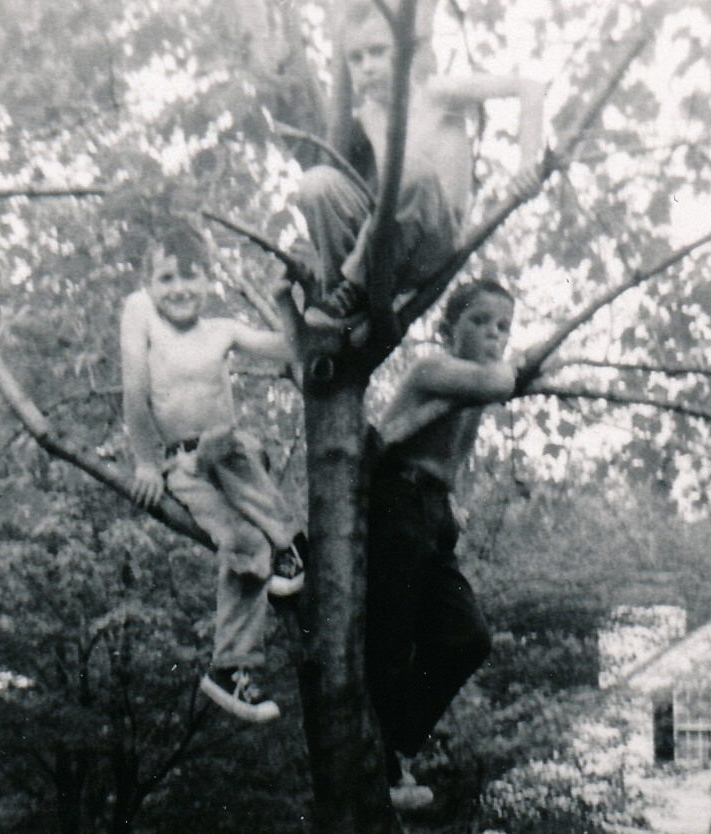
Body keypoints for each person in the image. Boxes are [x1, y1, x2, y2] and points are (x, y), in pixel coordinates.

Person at [120, 218, 306, 723]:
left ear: (208, 281)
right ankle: (232, 668)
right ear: (148, 284)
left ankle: (287, 551)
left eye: (191, 276)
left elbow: (291, 348)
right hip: (185, 464)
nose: (179, 288)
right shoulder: (142, 316)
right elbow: (135, 392)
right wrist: (144, 461)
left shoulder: (221, 331)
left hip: (229, 457)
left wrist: (286, 300)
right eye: (166, 278)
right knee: (245, 544)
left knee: (236, 443)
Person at [295, 1, 546, 342]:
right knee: (316, 183)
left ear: (403, 52)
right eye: (356, 58)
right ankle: (345, 304)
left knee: (410, 169)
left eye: (377, 52)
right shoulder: (368, 114)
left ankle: (353, 288)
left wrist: (527, 163)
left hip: (433, 243)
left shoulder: (436, 92)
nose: (367, 67)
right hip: (386, 248)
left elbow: (530, 88)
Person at [366, 277, 521, 801]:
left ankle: (394, 742)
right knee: (391, 634)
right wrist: (511, 370)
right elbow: (501, 382)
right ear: (448, 328)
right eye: (479, 321)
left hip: (433, 510)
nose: (493, 335)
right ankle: (383, 764)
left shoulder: (474, 388)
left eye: (504, 327)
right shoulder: (433, 370)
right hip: (397, 500)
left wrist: (449, 507)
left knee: (467, 637)